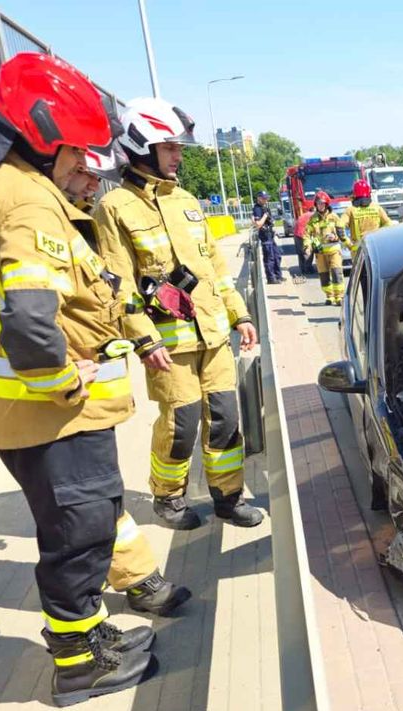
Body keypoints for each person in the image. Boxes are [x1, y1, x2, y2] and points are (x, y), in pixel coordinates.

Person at [0, 53, 156, 705]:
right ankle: (80, 661)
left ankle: (91, 635)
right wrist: (61, 379)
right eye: (78, 158)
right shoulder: (28, 204)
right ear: (37, 139)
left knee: (84, 522)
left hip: (9, 414)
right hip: (55, 413)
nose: (89, 172)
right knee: (79, 533)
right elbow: (30, 320)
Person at [93, 96, 264, 531]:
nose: (178, 156)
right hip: (168, 347)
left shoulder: (187, 200)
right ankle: (168, 498)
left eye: (178, 148)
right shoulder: (114, 208)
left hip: (213, 336)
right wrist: (143, 339)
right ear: (142, 146)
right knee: (181, 424)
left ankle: (228, 496)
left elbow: (215, 269)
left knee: (225, 420)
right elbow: (120, 286)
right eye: (170, 148)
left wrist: (240, 315)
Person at [62, 132, 192, 617]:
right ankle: (92, 623)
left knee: (99, 492)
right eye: (82, 171)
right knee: (83, 501)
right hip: (58, 389)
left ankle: (136, 581)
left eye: (95, 173)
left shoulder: (74, 220)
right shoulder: (41, 218)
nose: (91, 182)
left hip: (87, 385)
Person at [306, 190, 346, 305]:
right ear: (316, 205)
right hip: (320, 252)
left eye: (322, 203)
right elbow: (307, 234)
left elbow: (341, 233)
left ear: (327, 204)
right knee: (324, 275)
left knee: (336, 272)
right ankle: (329, 296)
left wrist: (335, 237)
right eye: (318, 204)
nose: (320, 206)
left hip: (334, 250)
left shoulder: (334, 217)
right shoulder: (313, 219)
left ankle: (339, 297)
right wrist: (307, 247)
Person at [343, 179, 392, 253]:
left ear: (354, 193)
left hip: (358, 251)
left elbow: (339, 226)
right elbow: (389, 224)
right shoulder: (377, 208)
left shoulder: (350, 210)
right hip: (376, 247)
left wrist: (348, 244)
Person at [252, 190, 284, 284]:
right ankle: (271, 278)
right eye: (264, 198)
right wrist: (265, 216)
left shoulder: (265, 207)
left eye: (266, 198)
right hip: (265, 237)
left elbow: (270, 221)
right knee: (269, 258)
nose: (266, 200)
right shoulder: (257, 209)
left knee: (277, 256)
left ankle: (278, 276)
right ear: (259, 198)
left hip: (270, 235)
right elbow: (258, 224)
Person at [293, 206, 312, 277]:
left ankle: (302, 269)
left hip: (296, 233)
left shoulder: (305, 214)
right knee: (308, 250)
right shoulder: (313, 215)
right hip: (302, 233)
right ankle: (307, 268)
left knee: (300, 252)